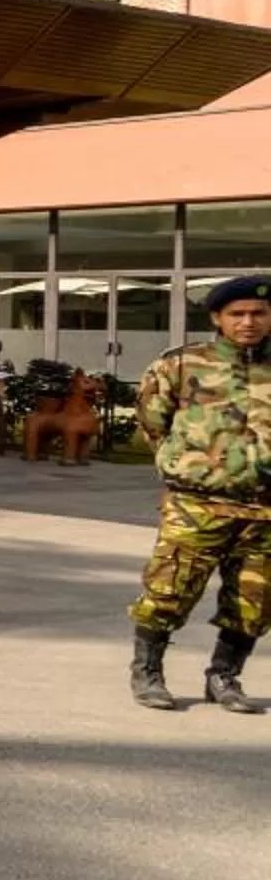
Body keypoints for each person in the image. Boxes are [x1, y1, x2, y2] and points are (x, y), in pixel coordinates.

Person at [129, 274, 271, 713]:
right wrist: (189, 466)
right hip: (197, 504)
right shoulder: (182, 364)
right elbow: (152, 423)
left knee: (255, 600)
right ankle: (148, 672)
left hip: (265, 508)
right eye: (237, 314)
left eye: (259, 313)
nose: (248, 321)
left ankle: (224, 677)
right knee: (169, 590)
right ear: (217, 318)